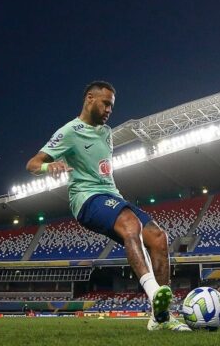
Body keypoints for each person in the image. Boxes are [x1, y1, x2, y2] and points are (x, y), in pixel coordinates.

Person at [26, 81, 189, 332]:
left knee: (158, 237)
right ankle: (154, 292)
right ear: (89, 99)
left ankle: (161, 317)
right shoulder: (69, 131)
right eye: (105, 104)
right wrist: (51, 166)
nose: (109, 110)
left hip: (112, 196)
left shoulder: (106, 132)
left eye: (111, 106)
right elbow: (33, 164)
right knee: (130, 224)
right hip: (86, 199)